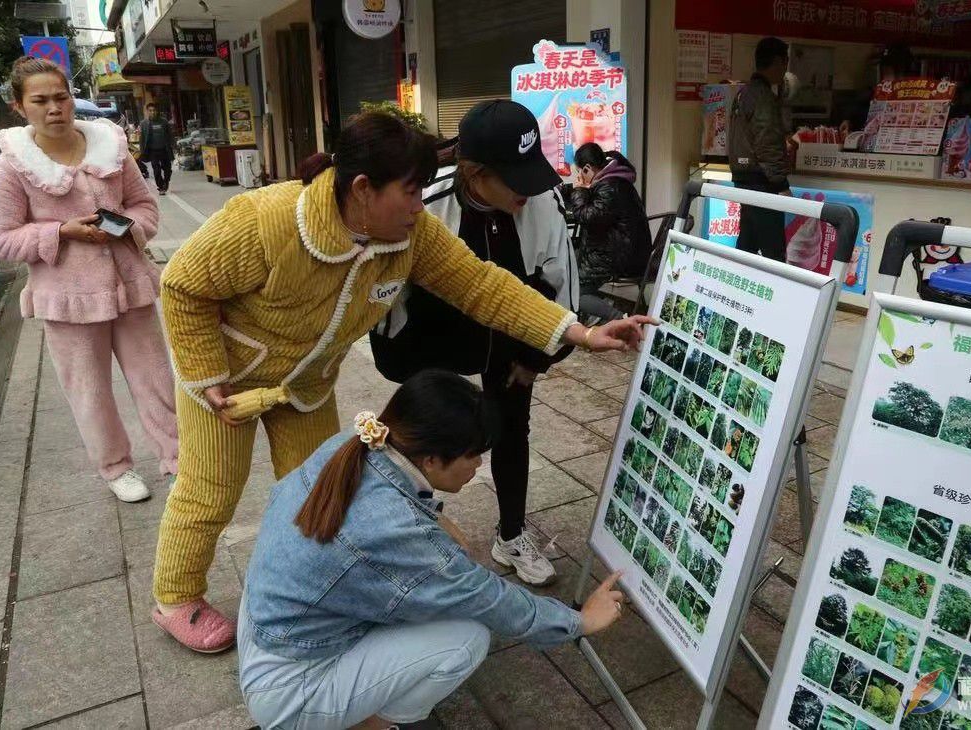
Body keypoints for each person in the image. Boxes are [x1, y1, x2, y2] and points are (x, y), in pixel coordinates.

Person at [152, 110, 652, 653]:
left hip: (308, 384)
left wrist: (580, 332)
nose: (421, 207)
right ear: (364, 189)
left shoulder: (408, 235)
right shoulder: (264, 220)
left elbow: (483, 286)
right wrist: (206, 373)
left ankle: (306, 585)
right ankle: (177, 596)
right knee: (211, 491)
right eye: (411, 193)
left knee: (314, 491)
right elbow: (182, 286)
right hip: (227, 381)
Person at [238, 369, 626, 729]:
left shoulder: (353, 445)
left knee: (430, 589)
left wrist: (435, 518)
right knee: (467, 637)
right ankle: (371, 725)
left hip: (269, 628)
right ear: (430, 459)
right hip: (289, 688)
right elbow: (487, 597)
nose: (478, 466)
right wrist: (578, 622)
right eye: (473, 454)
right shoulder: (398, 533)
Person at [370, 100, 578, 587]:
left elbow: (562, 287)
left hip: (512, 339)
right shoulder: (428, 204)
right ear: (474, 174)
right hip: (435, 338)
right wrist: (406, 371)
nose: (529, 192)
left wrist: (534, 362)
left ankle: (511, 534)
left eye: (534, 173)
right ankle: (413, 535)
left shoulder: (544, 200)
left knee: (511, 430)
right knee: (424, 438)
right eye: (515, 179)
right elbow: (388, 300)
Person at [0, 57, 178, 501]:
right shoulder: (12, 168)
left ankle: (177, 457)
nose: (54, 108)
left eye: (61, 96)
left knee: (154, 377)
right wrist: (60, 231)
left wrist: (122, 226)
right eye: (40, 100)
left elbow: (145, 207)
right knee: (88, 390)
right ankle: (116, 468)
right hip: (67, 300)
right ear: (20, 106)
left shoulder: (109, 149)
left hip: (130, 287)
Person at [569, 142, 652, 323]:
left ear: (587, 168)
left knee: (572, 288)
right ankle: (599, 307)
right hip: (628, 248)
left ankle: (617, 317)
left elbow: (587, 217)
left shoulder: (608, 186)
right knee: (572, 262)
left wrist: (578, 191)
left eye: (579, 172)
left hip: (621, 255)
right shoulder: (618, 180)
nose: (579, 177)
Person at [728, 36, 792, 262]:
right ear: (776, 62)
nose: (785, 69)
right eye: (784, 63)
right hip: (762, 180)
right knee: (773, 250)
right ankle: (776, 295)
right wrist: (781, 183)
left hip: (743, 177)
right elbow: (768, 141)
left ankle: (737, 294)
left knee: (747, 244)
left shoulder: (743, 93)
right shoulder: (763, 96)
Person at [140, 102, 174, 195]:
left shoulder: (164, 122)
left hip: (164, 150)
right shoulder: (144, 124)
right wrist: (142, 152)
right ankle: (161, 186)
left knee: (167, 169)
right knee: (156, 170)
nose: (153, 112)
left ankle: (166, 182)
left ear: (157, 111)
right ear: (147, 112)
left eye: (154, 110)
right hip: (153, 151)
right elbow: (142, 139)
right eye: (150, 111)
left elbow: (170, 135)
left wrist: (173, 146)